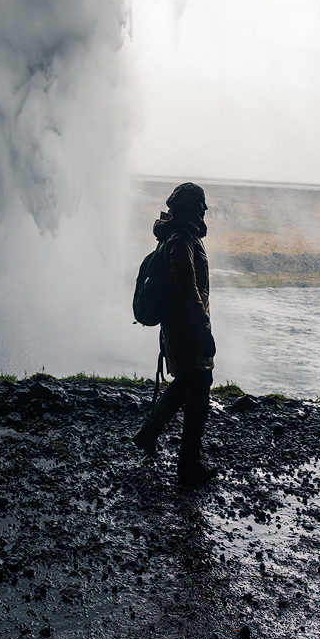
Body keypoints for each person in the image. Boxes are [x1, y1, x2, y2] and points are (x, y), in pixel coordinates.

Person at [132, 181, 217, 489]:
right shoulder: (181, 240)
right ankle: (188, 466)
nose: (204, 210)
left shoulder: (181, 236)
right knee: (199, 386)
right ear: (190, 208)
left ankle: (148, 434)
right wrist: (203, 329)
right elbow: (189, 291)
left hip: (184, 325)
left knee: (186, 383)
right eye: (200, 204)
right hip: (186, 327)